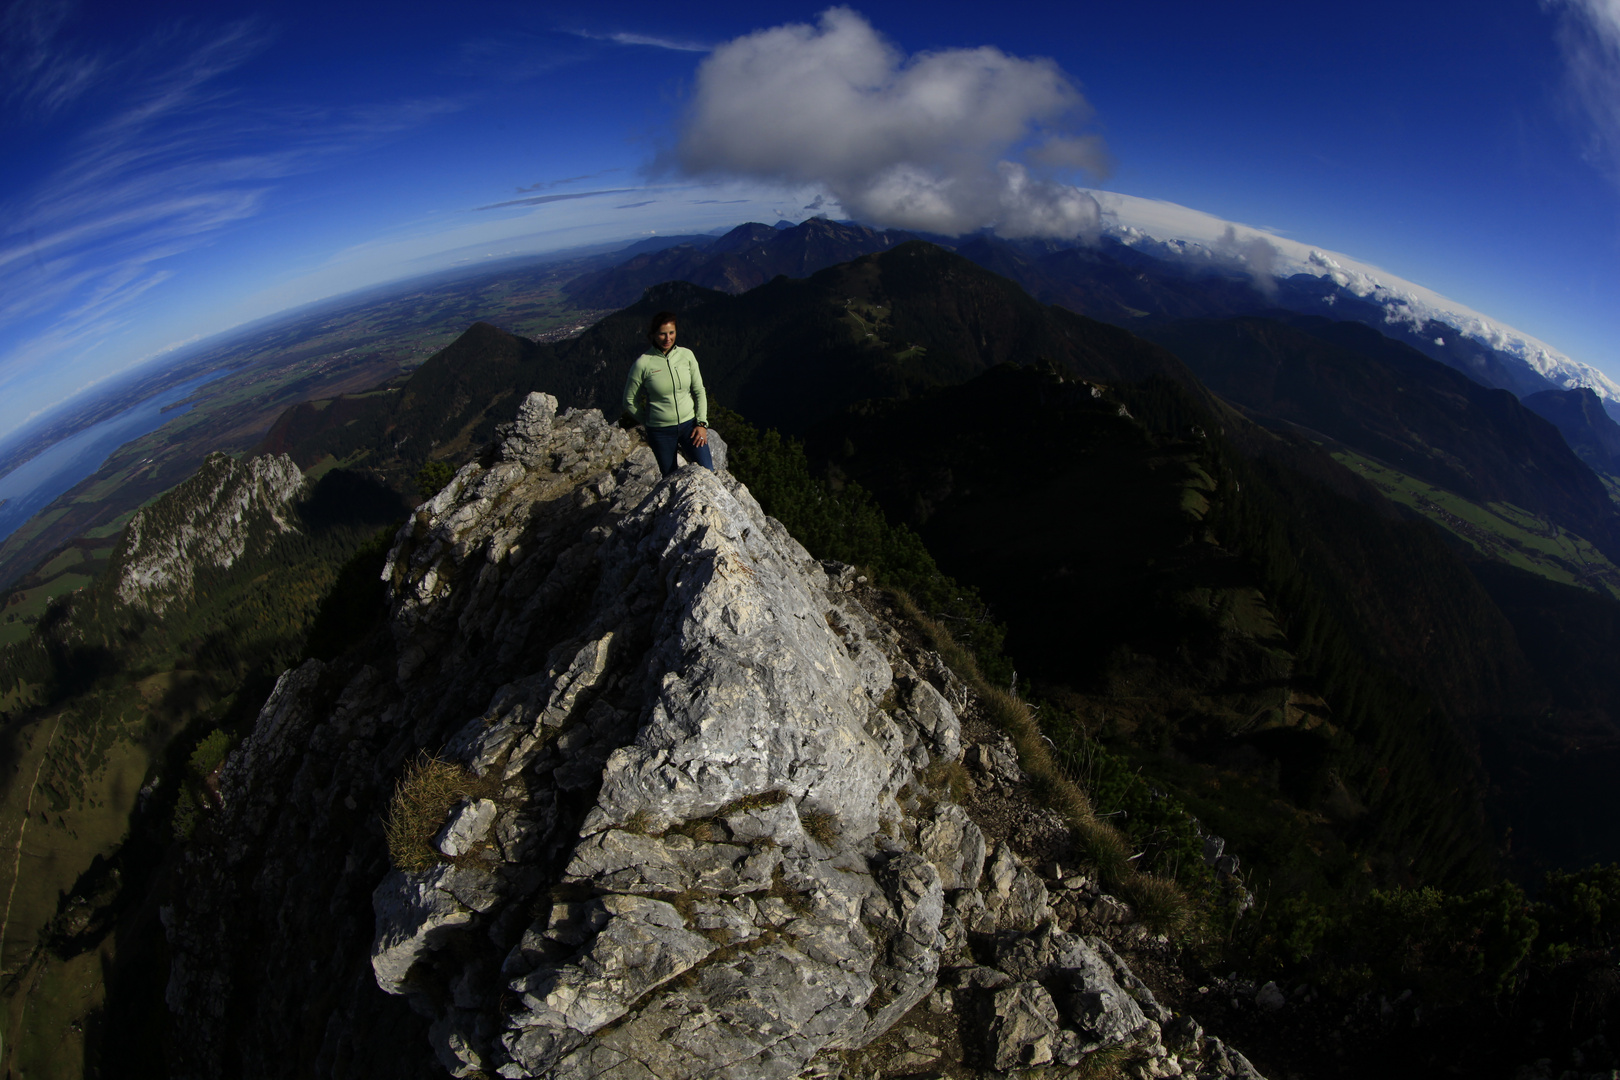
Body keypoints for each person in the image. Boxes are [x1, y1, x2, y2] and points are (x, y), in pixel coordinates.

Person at [621, 310, 714, 476]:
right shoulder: (643, 363)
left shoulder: (687, 356)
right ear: (654, 335)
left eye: (671, 332)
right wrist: (649, 421)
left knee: (708, 471)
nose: (667, 338)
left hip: (690, 427)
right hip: (660, 432)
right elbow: (629, 400)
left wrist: (701, 423)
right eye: (662, 334)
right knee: (670, 477)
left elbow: (699, 390)